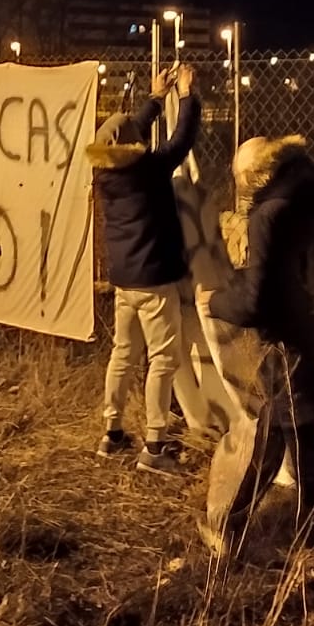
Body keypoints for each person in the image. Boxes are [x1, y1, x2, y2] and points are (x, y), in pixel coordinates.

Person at [205, 135, 314, 603]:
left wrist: (217, 300)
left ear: (254, 177)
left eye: (240, 177)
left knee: (310, 489)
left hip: (293, 361)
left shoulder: (269, 215)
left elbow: (259, 300)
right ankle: (232, 538)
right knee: (277, 452)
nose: (238, 187)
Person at [88, 64, 201, 474]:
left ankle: (112, 433)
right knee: (163, 359)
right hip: (154, 280)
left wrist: (155, 99)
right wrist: (186, 95)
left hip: (125, 281)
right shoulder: (150, 171)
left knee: (123, 354)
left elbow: (127, 130)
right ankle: (155, 447)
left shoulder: (106, 173)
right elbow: (182, 140)